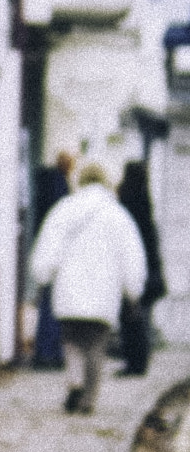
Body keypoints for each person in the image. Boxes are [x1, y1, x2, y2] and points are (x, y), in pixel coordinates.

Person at [29, 161, 149, 413]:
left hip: (69, 291)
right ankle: (88, 401)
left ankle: (74, 379)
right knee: (95, 347)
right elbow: (131, 256)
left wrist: (42, 276)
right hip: (103, 294)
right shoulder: (117, 215)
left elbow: (48, 246)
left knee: (71, 341)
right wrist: (133, 290)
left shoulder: (64, 209)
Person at [116, 158, 166, 375]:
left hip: (135, 269)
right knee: (142, 318)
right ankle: (140, 361)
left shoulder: (125, 203)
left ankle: (134, 363)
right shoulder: (146, 204)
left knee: (131, 319)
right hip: (152, 271)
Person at [30, 152, 73, 369]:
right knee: (51, 307)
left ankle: (46, 351)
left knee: (49, 304)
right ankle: (49, 352)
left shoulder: (48, 183)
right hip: (56, 260)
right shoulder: (59, 186)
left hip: (49, 257)